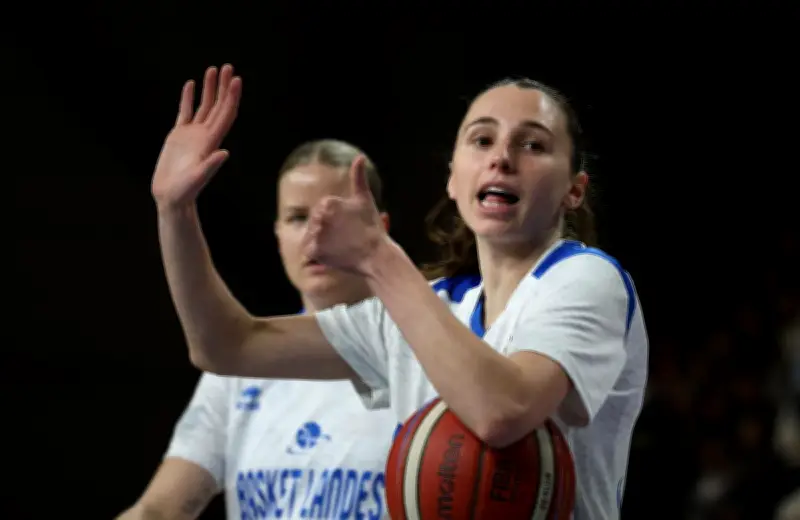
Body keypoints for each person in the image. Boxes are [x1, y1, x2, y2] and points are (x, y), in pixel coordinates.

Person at [153, 63, 649, 518]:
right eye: (481, 140)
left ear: (574, 188)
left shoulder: (587, 279)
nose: (501, 158)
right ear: (453, 179)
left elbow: (503, 411)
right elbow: (225, 344)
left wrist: (377, 257)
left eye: (533, 145)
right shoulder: (426, 307)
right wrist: (175, 212)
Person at [119, 135, 398, 519]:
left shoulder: (420, 349)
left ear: (380, 227)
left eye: (335, 216)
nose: (315, 235)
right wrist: (173, 209)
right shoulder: (239, 371)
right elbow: (159, 510)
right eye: (298, 218)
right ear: (278, 233)